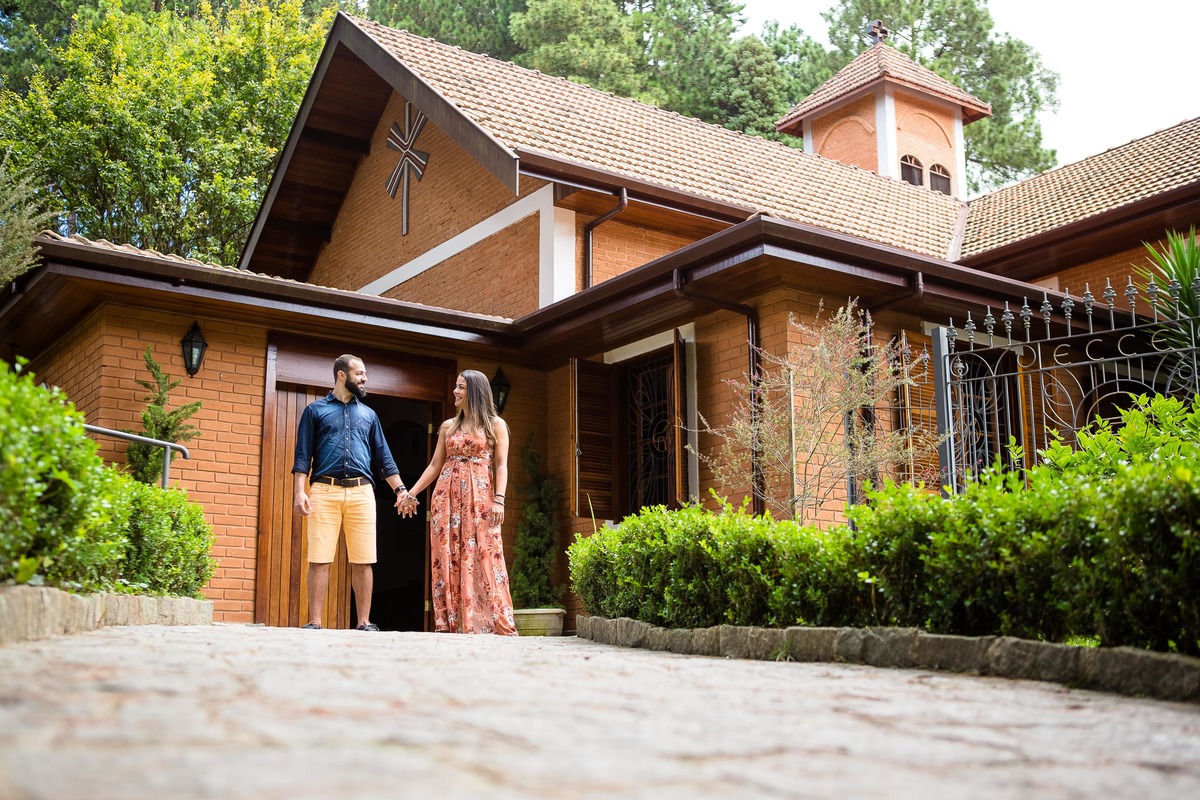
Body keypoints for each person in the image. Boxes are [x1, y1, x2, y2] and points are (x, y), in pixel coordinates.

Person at [398, 370, 517, 635]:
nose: (455, 391)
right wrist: (412, 493)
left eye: (461, 387)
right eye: (455, 386)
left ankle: (490, 622)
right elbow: (434, 465)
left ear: (474, 391)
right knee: (447, 554)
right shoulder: (448, 427)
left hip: (481, 498)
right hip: (447, 498)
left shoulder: (495, 425)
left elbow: (501, 465)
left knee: (486, 553)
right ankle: (452, 623)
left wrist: (500, 500)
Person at [293, 354, 407, 631]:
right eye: (359, 373)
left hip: (362, 492)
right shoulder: (315, 411)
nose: (365, 378)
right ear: (342, 375)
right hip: (324, 490)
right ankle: (314, 622)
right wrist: (300, 491)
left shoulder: (369, 415)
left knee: (364, 559)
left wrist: (400, 490)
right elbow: (302, 454)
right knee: (319, 559)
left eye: (364, 373)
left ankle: (364, 622)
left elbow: (384, 458)